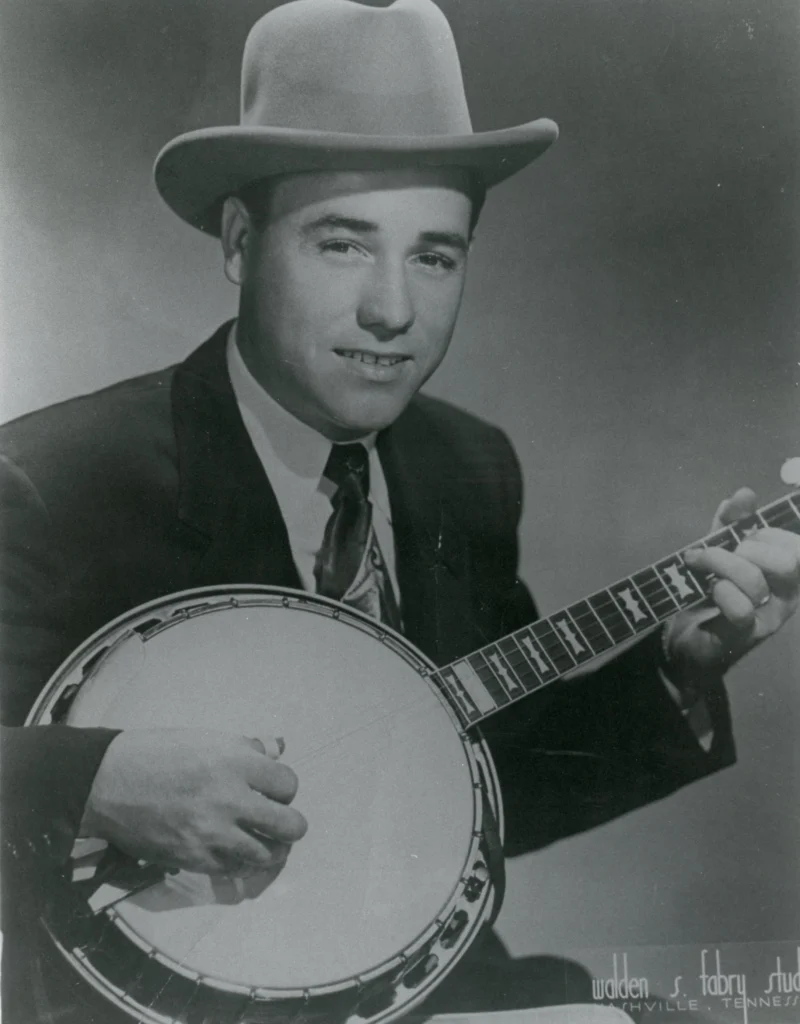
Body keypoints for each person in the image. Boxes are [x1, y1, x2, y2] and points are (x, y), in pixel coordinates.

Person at [1, 1, 798, 1022]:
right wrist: (93, 780)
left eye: (434, 255)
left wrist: (677, 670)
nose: (393, 311)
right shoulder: (54, 479)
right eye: (343, 245)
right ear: (241, 241)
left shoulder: (465, 466)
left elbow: (485, 782)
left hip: (434, 994)